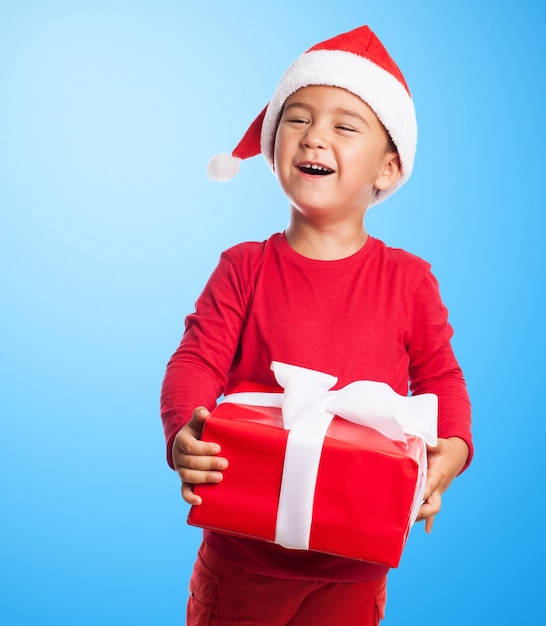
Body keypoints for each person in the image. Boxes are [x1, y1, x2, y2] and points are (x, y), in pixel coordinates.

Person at [160, 25, 472, 626]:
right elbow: (196, 361)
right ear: (276, 149)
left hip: (357, 564)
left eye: (344, 125)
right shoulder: (244, 267)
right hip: (243, 557)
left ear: (388, 168)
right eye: (297, 119)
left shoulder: (409, 280)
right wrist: (184, 431)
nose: (314, 136)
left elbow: (442, 378)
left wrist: (450, 451)